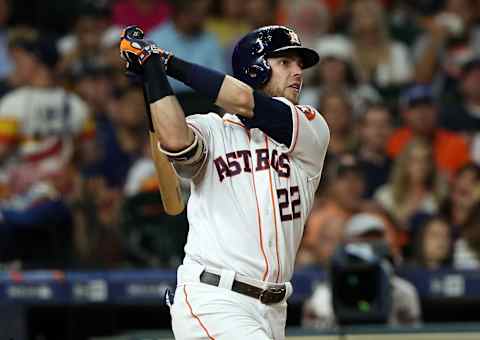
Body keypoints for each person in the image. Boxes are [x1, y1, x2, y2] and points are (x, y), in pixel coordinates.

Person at [119, 24, 329, 339]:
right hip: (214, 297)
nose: (298, 71)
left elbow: (246, 103)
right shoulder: (211, 128)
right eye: (285, 62)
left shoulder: (310, 126)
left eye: (299, 64)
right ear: (254, 68)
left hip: (274, 308)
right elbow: (176, 141)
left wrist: (166, 62)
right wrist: (153, 74)